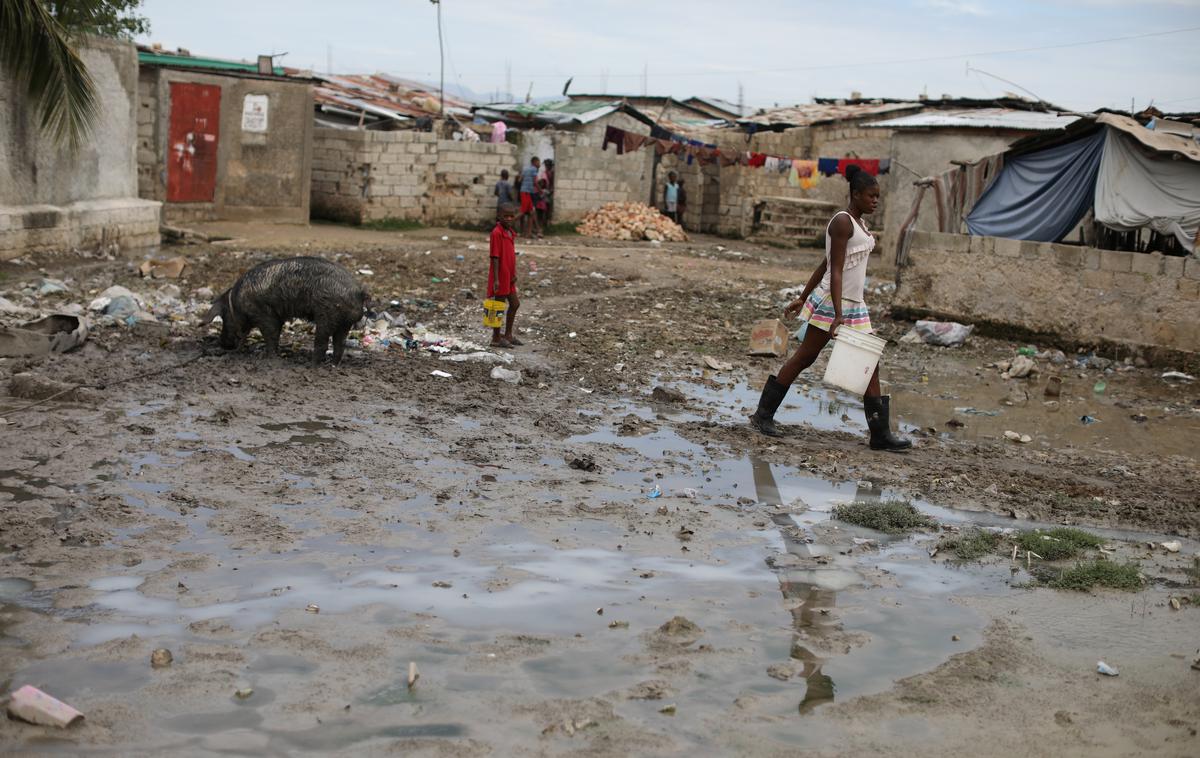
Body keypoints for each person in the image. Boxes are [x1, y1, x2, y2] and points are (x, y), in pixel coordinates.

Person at [748, 164, 910, 452]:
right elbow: (833, 270)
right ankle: (763, 416)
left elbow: (826, 263)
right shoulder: (842, 222)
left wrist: (802, 295)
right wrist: (835, 313)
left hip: (853, 304)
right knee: (805, 357)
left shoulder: (860, 223)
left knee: (869, 363)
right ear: (856, 194)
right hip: (835, 303)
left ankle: (880, 435)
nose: (876, 201)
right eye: (871, 196)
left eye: (878, 196)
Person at [487, 203, 523, 348]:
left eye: (511, 216)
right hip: (500, 275)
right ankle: (496, 337)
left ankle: (508, 334)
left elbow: (510, 256)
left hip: (509, 275)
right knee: (498, 305)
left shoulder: (510, 233)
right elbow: (495, 256)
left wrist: (513, 273)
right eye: (505, 216)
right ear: (499, 217)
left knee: (515, 304)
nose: (508, 219)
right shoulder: (496, 233)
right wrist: (496, 279)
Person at [518, 156, 542, 239]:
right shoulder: (534, 169)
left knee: (531, 213)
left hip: (524, 191)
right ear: (534, 162)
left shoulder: (525, 169)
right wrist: (540, 190)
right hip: (527, 193)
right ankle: (506, 225)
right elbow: (535, 182)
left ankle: (528, 234)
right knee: (522, 212)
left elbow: (519, 180)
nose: (540, 164)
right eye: (539, 162)